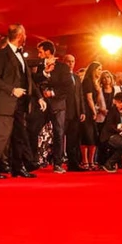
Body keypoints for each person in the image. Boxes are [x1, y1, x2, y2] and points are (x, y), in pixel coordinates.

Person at [0, 24, 46, 179]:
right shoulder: (3, 54)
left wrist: (39, 97)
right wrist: (12, 90)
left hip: (21, 103)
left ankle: (17, 168)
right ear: (20, 35)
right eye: (24, 34)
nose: (26, 36)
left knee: (19, 136)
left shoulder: (21, 55)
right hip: (6, 101)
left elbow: (29, 80)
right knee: (3, 136)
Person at [35, 40, 73, 173]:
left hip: (58, 105)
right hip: (41, 105)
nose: (38, 55)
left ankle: (57, 163)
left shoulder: (63, 67)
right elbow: (35, 82)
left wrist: (53, 93)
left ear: (48, 52)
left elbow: (69, 87)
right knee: (33, 130)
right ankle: (34, 160)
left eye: (40, 52)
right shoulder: (39, 66)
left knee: (58, 133)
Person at [79, 61, 102, 170]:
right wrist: (94, 111)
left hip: (93, 110)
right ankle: (85, 161)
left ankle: (92, 161)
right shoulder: (87, 81)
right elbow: (88, 98)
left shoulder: (95, 82)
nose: (100, 72)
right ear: (93, 70)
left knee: (93, 137)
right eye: (99, 69)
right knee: (86, 136)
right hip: (87, 111)